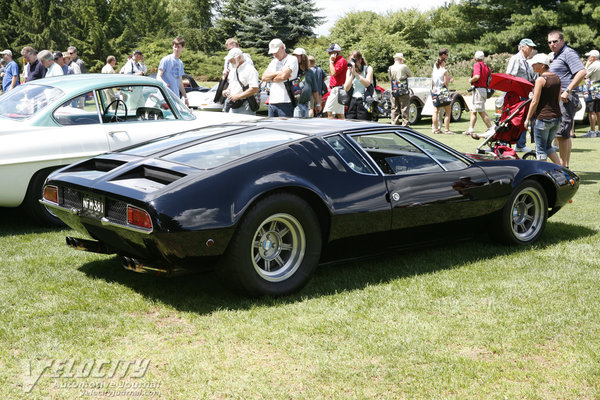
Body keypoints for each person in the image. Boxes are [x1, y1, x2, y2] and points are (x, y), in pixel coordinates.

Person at [548, 30, 587, 168]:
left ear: (562, 41)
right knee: (560, 134)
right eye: (549, 42)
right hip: (556, 97)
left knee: (563, 133)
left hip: (566, 97)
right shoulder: (555, 55)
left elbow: (582, 72)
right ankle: (563, 167)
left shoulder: (568, 53)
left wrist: (568, 91)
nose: (552, 44)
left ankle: (565, 167)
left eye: (555, 41)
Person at [523, 53, 562, 164]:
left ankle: (542, 175)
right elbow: (558, 98)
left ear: (542, 65)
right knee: (548, 147)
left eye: (534, 64)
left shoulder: (540, 80)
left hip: (543, 118)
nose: (532, 66)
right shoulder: (557, 78)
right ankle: (562, 170)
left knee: (540, 149)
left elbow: (535, 101)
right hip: (556, 117)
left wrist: (527, 119)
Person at [506, 38, 537, 151]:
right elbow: (511, 76)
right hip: (517, 94)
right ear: (522, 47)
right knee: (515, 119)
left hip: (524, 93)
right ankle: (515, 143)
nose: (531, 49)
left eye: (532, 47)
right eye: (530, 47)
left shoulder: (525, 60)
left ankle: (520, 144)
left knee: (523, 118)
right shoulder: (516, 58)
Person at [261, 38, 298, 117]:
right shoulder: (273, 61)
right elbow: (264, 77)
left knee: (284, 127)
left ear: (282, 47)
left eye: (276, 52)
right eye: (273, 53)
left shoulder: (292, 59)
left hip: (286, 101)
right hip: (272, 101)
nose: (274, 55)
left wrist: (271, 78)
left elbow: (283, 76)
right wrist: (278, 73)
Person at [221, 48, 259, 115]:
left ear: (238, 58)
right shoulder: (233, 68)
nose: (230, 62)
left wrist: (238, 96)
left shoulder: (249, 69)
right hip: (234, 104)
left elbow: (254, 88)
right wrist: (227, 90)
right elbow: (232, 83)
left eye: (231, 60)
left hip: (246, 105)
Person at [464, 51, 493, 136]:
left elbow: (477, 76)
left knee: (481, 111)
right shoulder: (487, 67)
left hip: (478, 91)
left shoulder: (477, 65)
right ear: (483, 58)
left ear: (475, 58)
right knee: (473, 110)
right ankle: (470, 129)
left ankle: (490, 128)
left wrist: (470, 80)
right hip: (483, 90)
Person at [342, 51, 374, 121]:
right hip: (352, 100)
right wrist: (352, 74)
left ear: (360, 60)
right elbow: (346, 88)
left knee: (364, 124)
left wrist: (356, 74)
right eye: (350, 60)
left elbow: (367, 83)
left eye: (354, 60)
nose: (352, 62)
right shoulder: (349, 71)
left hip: (364, 101)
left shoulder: (368, 69)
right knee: (350, 123)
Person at [157, 37, 189, 105]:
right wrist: (164, 84)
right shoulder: (166, 60)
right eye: (175, 47)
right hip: (164, 97)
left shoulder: (180, 63)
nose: (176, 49)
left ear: (182, 48)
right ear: (172, 47)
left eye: (178, 47)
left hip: (175, 97)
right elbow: (158, 76)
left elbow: (180, 82)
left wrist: (186, 98)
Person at [291, 48, 320, 118]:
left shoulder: (310, 72)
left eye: (297, 56)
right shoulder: (293, 71)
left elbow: (315, 90)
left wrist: (318, 104)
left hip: (306, 104)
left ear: (303, 57)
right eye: (294, 56)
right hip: (295, 105)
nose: (295, 58)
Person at [322, 43, 347, 119]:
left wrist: (331, 62)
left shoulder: (341, 61)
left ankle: (332, 128)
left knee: (329, 111)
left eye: (331, 52)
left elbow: (334, 73)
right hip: (336, 89)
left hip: (338, 89)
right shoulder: (337, 61)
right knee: (339, 113)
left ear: (337, 52)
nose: (329, 54)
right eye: (329, 52)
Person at [388, 52, 413, 126]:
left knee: (394, 107)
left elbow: (390, 78)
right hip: (403, 89)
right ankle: (405, 124)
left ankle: (394, 123)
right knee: (404, 106)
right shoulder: (404, 67)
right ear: (401, 59)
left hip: (394, 89)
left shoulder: (390, 67)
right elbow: (410, 75)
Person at [431, 57, 454, 134]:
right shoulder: (444, 71)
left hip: (434, 91)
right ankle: (447, 129)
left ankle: (435, 129)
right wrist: (449, 80)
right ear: (443, 62)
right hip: (442, 91)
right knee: (448, 110)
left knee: (435, 111)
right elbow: (446, 83)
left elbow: (432, 83)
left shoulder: (434, 71)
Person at [581, 49, 600, 137]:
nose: (588, 58)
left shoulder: (593, 65)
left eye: (589, 56)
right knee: (598, 111)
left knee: (591, 110)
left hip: (592, 88)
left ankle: (592, 131)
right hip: (599, 88)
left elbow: (583, 74)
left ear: (593, 57)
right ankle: (599, 131)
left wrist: (586, 65)